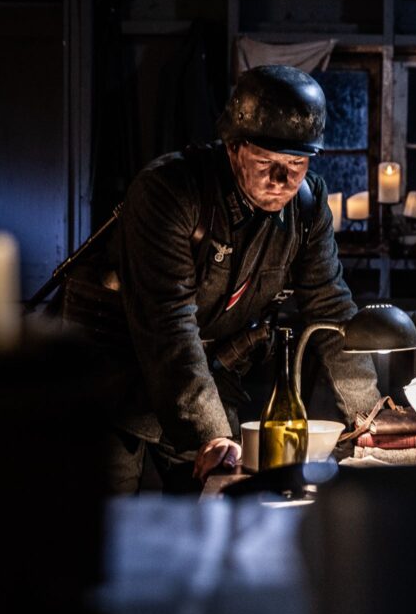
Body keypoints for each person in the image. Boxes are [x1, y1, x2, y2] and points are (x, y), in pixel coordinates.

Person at [103, 64, 380, 493]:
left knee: (217, 504)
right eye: (267, 161)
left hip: (203, 379)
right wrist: (209, 433)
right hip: (117, 377)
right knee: (106, 524)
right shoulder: (170, 191)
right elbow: (169, 326)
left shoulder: (307, 207)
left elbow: (331, 307)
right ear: (233, 148)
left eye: (296, 163)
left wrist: (367, 415)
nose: (282, 179)